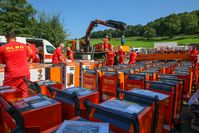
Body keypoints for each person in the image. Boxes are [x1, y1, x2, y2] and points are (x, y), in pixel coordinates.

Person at [0, 31, 32, 97]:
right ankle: (24, 107)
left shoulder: (2, 48)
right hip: (25, 74)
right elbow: (30, 55)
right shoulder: (24, 46)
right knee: (24, 94)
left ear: (7, 38)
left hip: (12, 76)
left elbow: (2, 62)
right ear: (15, 38)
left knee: (6, 95)